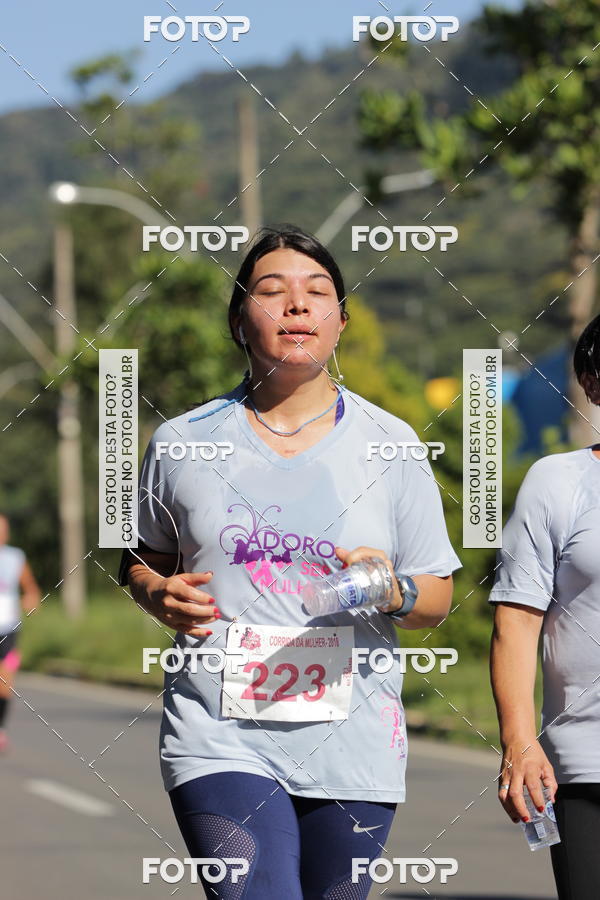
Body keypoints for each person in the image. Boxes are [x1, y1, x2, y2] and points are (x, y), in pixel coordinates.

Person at [119, 224, 461, 899]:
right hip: (218, 731)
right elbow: (141, 561)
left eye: (318, 293)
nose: (296, 306)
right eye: (271, 292)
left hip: (353, 735)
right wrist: (156, 594)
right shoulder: (183, 441)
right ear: (240, 322)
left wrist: (391, 590)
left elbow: (437, 600)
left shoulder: (392, 444)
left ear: (341, 322)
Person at [489, 313, 600, 900]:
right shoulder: (558, 482)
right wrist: (520, 741)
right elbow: (516, 619)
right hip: (585, 765)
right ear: (591, 381)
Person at [0, 514, 40, 751]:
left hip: (9, 627)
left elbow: (30, 587)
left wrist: (32, 598)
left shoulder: (16, 557)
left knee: (6, 680)